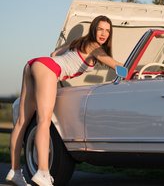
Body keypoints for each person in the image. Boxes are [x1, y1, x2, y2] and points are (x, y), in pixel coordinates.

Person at [6, 15, 122, 186]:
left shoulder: (79, 42)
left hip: (34, 64)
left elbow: (54, 54)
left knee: (22, 122)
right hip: (49, 68)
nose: (103, 33)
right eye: (100, 29)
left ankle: (15, 171)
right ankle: (43, 172)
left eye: (107, 30)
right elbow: (118, 67)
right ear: (94, 29)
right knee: (44, 121)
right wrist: (133, 70)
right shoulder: (96, 48)